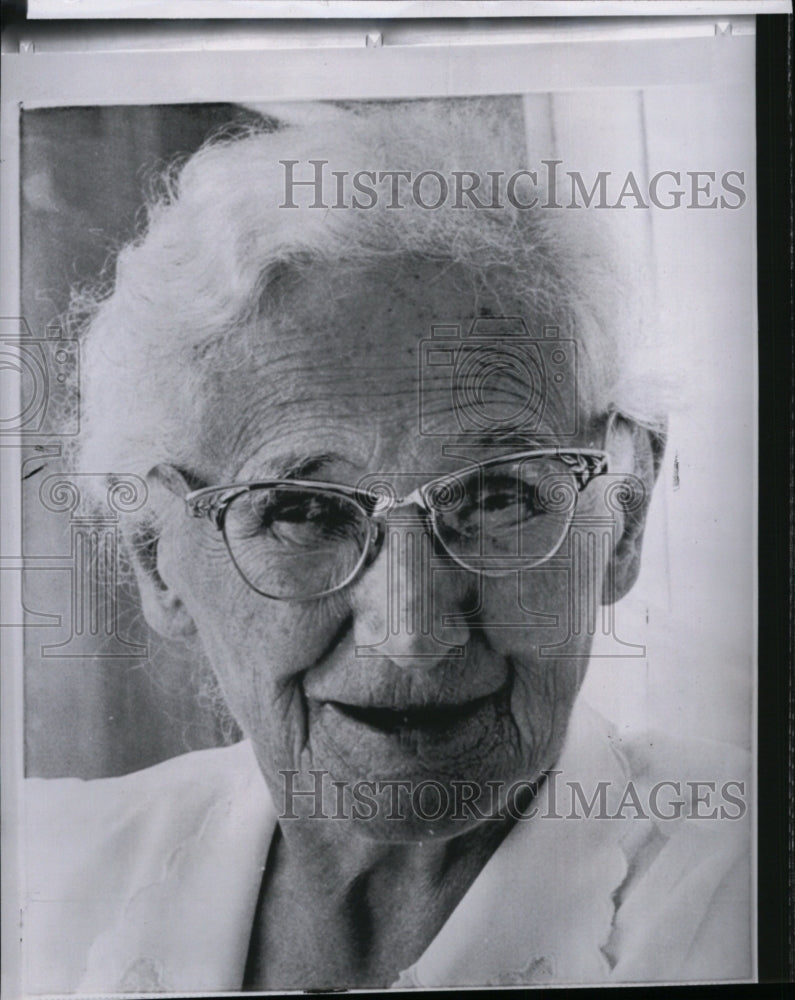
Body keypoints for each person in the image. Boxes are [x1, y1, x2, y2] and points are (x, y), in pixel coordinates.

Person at [23, 97, 750, 992]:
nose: (410, 631)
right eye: (303, 511)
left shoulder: (744, 888)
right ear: (152, 556)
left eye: (497, 496)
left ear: (623, 517)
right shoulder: (39, 879)